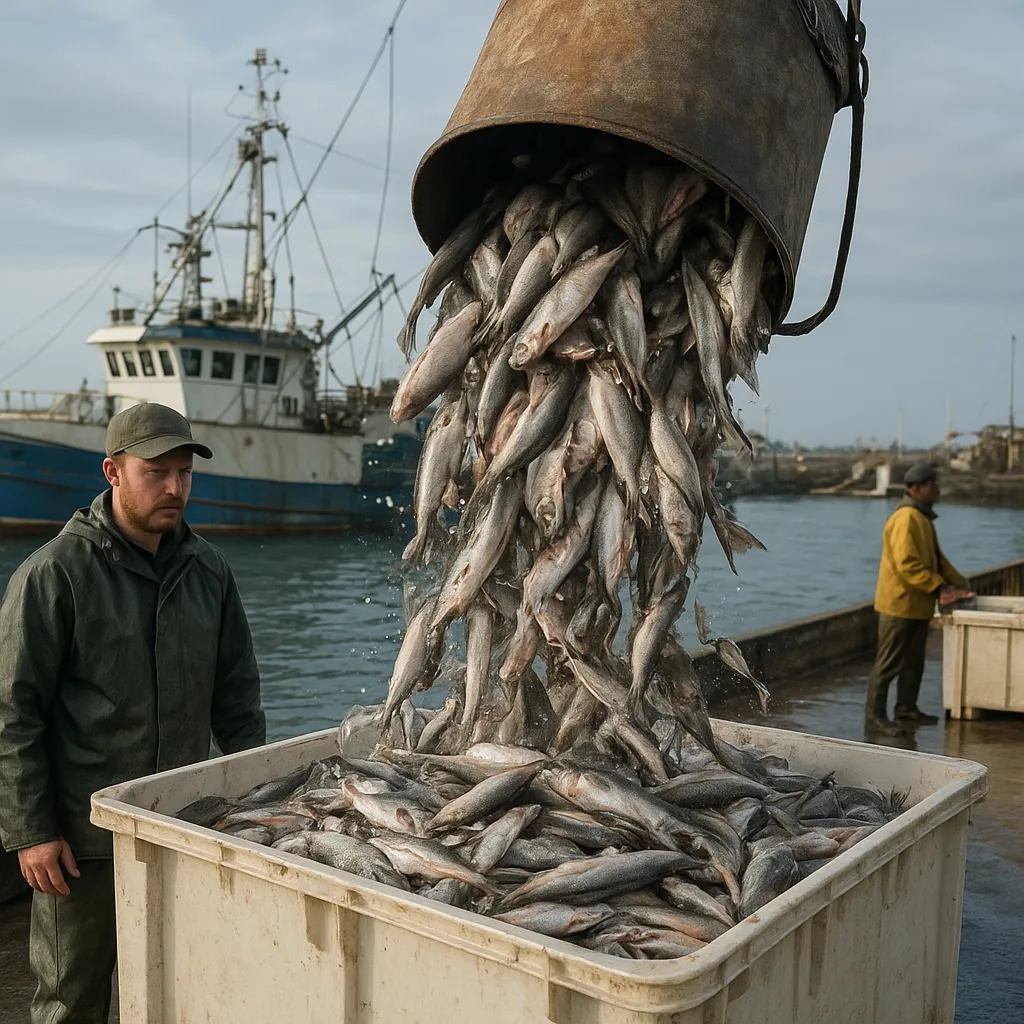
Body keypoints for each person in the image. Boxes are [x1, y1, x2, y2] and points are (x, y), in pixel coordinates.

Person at [0, 402, 266, 1024]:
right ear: (112, 473)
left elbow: (238, 703)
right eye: (156, 472)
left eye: (184, 472)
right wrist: (31, 832)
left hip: (184, 828)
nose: (175, 488)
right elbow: (14, 713)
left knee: (182, 987)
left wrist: (258, 810)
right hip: (80, 845)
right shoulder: (53, 576)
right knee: (71, 999)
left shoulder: (209, 572)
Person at [865, 462, 974, 736]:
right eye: (931, 484)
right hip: (899, 604)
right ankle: (875, 718)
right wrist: (939, 587)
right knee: (888, 663)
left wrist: (960, 582)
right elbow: (907, 563)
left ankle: (906, 709)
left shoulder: (922, 518)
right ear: (917, 488)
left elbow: (937, 560)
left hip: (917, 604)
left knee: (914, 662)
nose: (936, 489)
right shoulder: (906, 518)